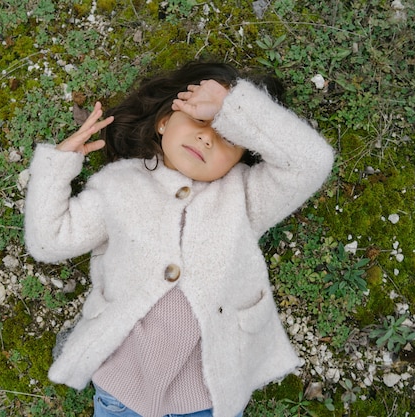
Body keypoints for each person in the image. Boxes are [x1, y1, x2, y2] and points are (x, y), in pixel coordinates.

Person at [24, 61, 334, 417]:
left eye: (229, 136)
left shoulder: (245, 195)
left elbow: (312, 162)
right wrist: (58, 166)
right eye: (201, 121)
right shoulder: (118, 186)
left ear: (241, 157)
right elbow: (49, 240)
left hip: (204, 399)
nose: (208, 137)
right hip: (121, 390)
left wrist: (233, 107)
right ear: (163, 120)